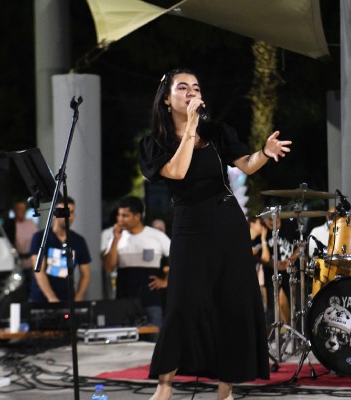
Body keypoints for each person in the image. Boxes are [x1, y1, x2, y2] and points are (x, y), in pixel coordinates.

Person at [138, 68, 291, 400]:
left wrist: (264, 153)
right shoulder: (154, 143)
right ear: (167, 100)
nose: (192, 93)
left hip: (227, 221)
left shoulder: (217, 132)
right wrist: (191, 127)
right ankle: (164, 388)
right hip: (189, 224)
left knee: (231, 302)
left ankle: (226, 390)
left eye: (196, 87)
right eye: (183, 88)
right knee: (182, 303)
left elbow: (246, 164)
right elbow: (177, 171)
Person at [103, 196, 170, 336]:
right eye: (119, 215)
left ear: (137, 216)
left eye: (125, 215)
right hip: (124, 301)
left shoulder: (156, 236)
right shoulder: (117, 238)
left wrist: (166, 280)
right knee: (125, 342)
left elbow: (177, 257)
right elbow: (108, 267)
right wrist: (115, 240)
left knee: (155, 341)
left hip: (151, 300)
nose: (120, 219)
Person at [29, 197, 92, 303]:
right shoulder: (40, 237)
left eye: (71, 212)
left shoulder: (79, 241)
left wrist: (79, 296)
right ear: (54, 214)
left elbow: (85, 273)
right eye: (64, 212)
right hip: (41, 300)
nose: (68, 216)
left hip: (68, 299)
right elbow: (39, 271)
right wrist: (51, 297)